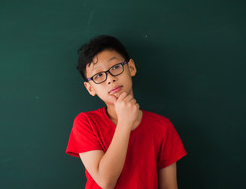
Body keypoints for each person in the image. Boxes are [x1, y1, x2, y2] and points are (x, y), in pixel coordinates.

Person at [66, 35, 187, 189]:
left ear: (131, 67)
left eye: (115, 67)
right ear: (90, 88)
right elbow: (106, 182)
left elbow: (169, 186)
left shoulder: (163, 127)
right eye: (98, 76)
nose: (110, 79)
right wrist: (124, 122)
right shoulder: (86, 123)